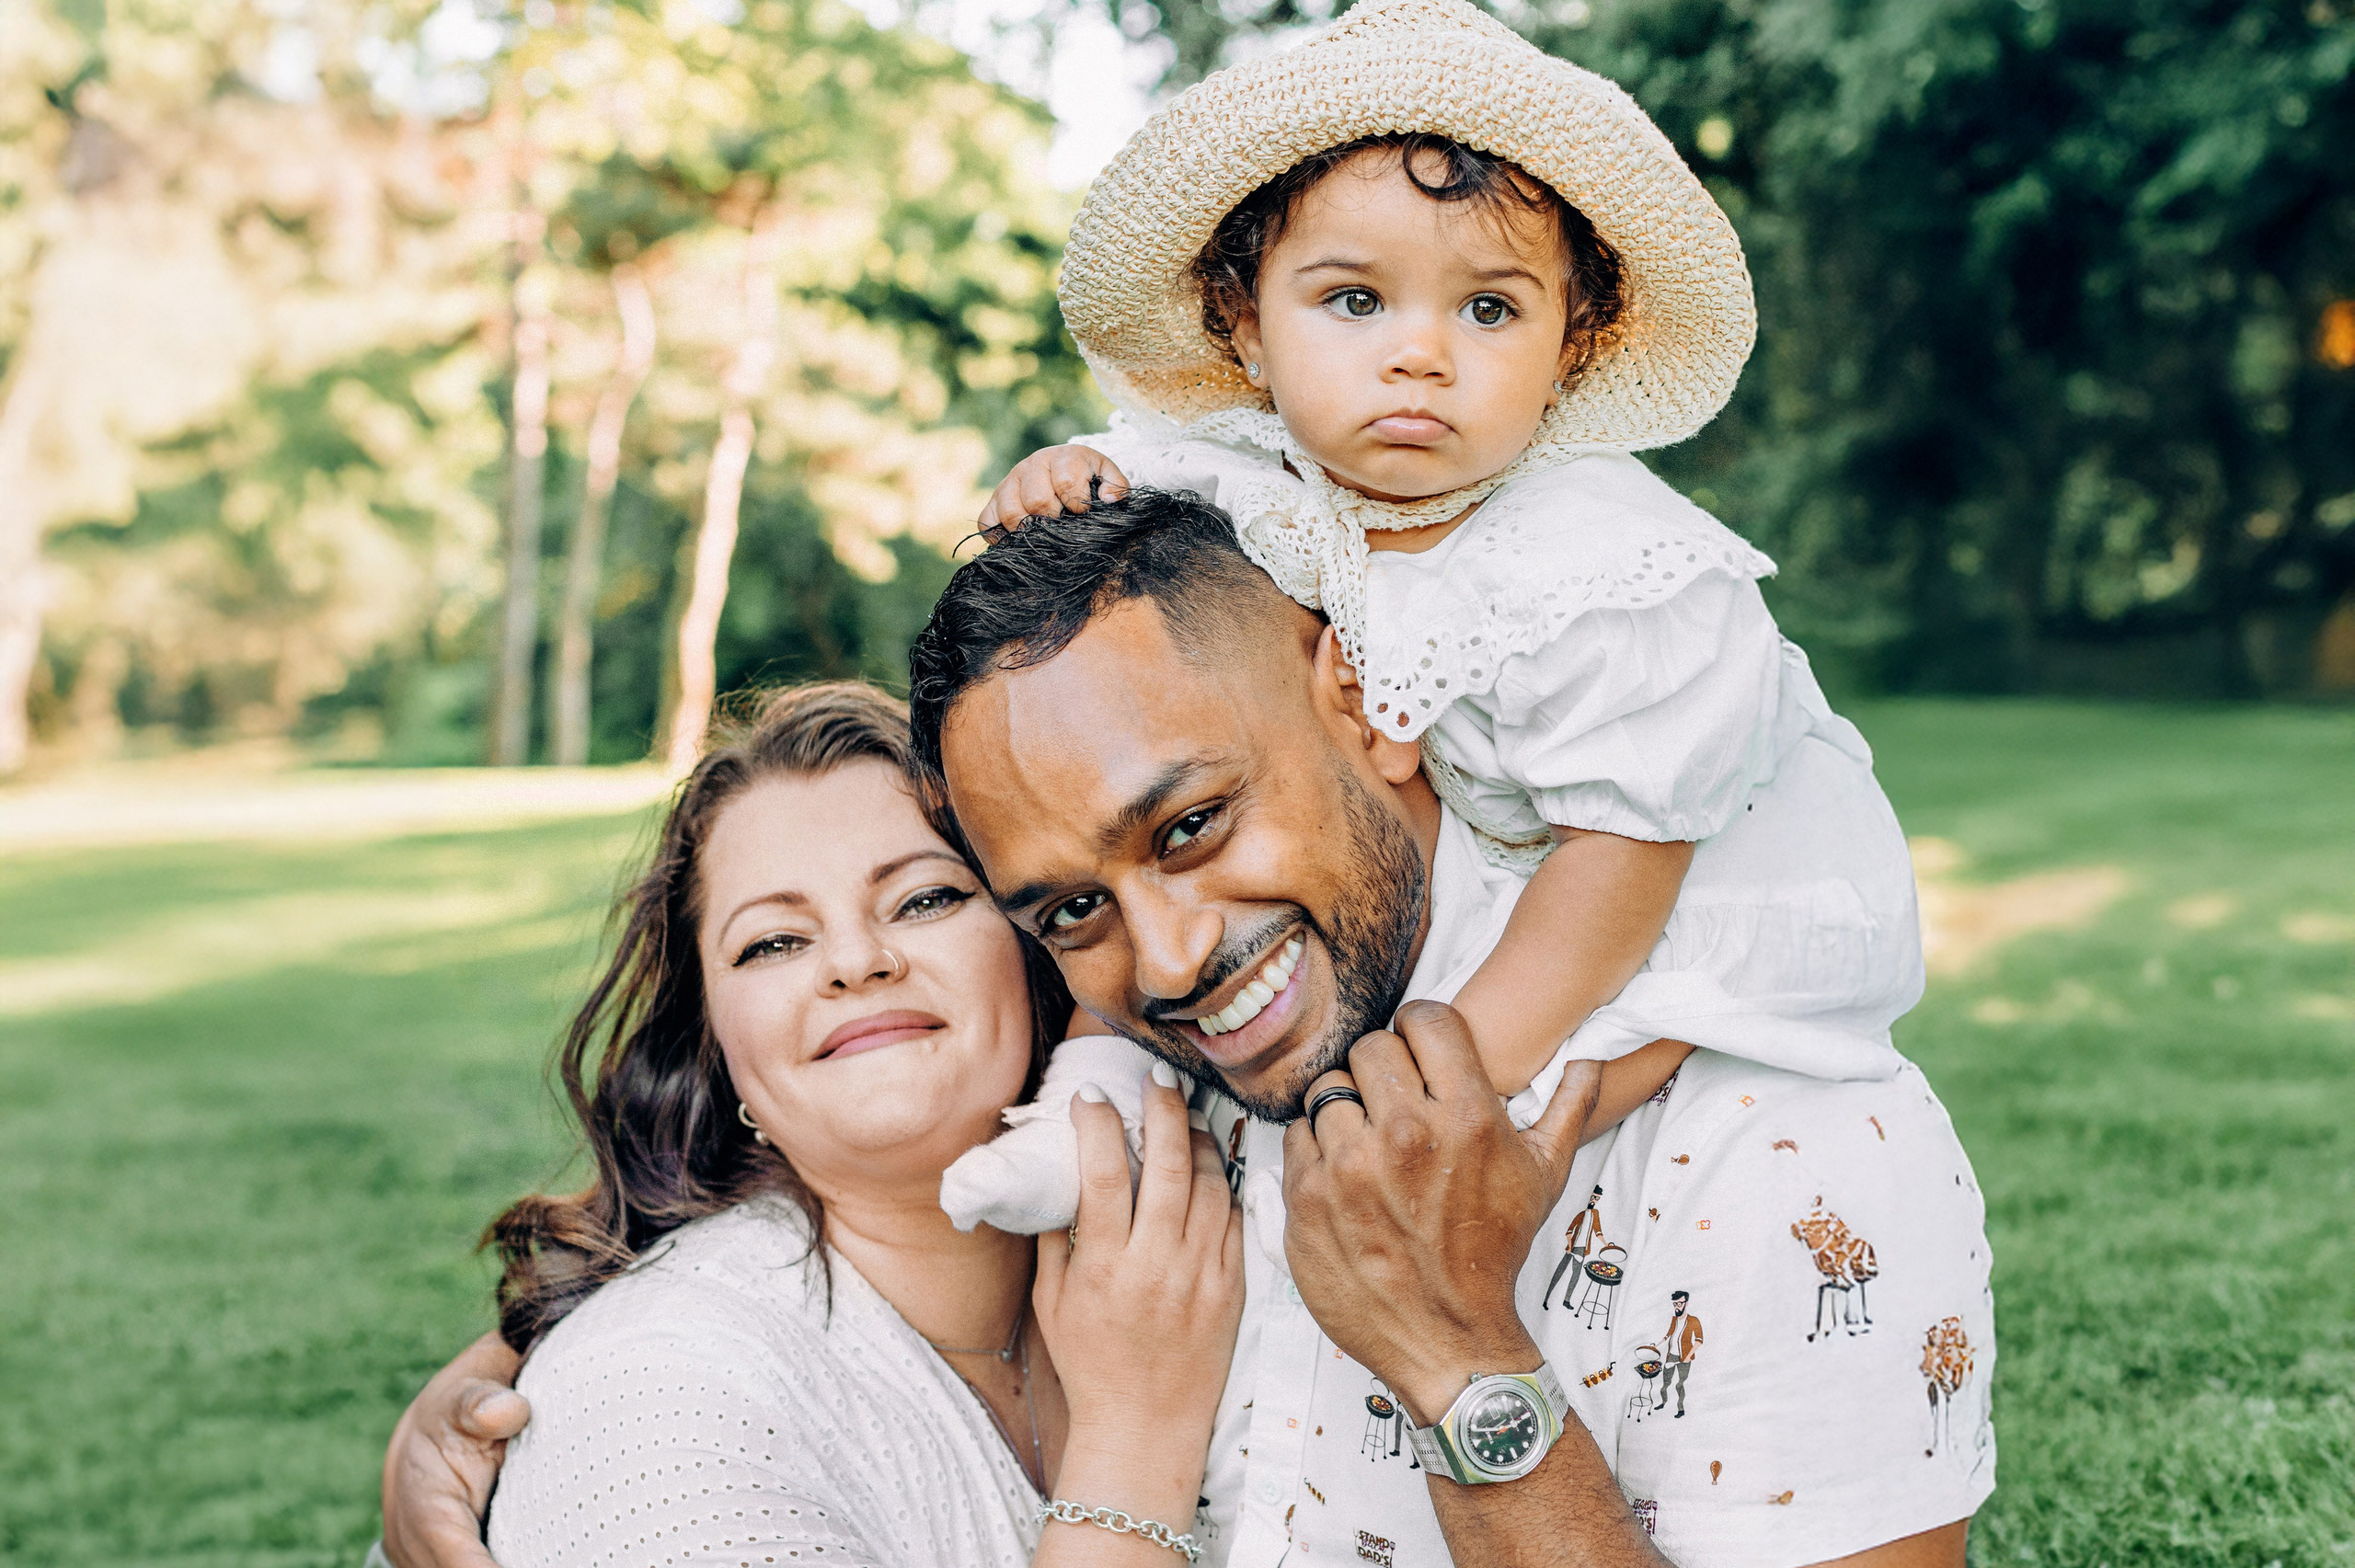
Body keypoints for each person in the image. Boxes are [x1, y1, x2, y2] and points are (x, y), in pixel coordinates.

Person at [945, 0, 1923, 1239]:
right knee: (1154, 891)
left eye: (1489, 311)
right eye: (1355, 302)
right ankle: (1082, 1123)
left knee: (1599, 1073)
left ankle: (1518, 1163)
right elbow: (1132, 477)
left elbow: (1619, 869)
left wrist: (1453, 1061)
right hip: (1467, 888)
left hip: (1669, 901)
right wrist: (1060, 472)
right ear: (1246, 324)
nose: (1420, 354)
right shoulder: (1251, 474)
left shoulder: (1608, 569)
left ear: (1571, 344)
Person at [373, 682, 1244, 1568]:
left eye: (926, 898)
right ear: (713, 1044)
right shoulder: (652, 1389)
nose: (859, 961)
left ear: (1039, 946)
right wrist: (1134, 1437)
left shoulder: (1210, 1201)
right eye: (774, 942)